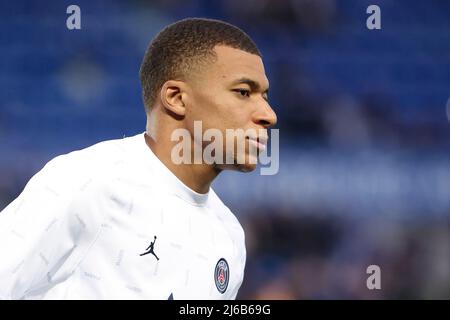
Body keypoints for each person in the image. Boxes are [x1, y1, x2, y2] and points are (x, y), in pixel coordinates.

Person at [0, 17, 277, 299]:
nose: (268, 115)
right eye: (244, 92)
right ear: (177, 98)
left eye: (265, 96)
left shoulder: (228, 235)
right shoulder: (88, 183)